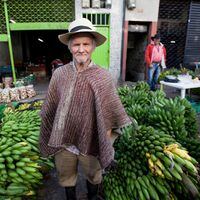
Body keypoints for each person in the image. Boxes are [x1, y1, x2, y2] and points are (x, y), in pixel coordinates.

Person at [39, 18, 131, 200]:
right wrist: (51, 132)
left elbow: (110, 111)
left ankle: (92, 197)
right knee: (66, 177)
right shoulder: (59, 74)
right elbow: (51, 108)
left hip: (92, 138)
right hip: (63, 139)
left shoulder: (103, 76)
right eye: (76, 44)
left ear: (94, 46)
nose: (81, 49)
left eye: (86, 44)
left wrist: (103, 139)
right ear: (69, 47)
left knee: (94, 175)